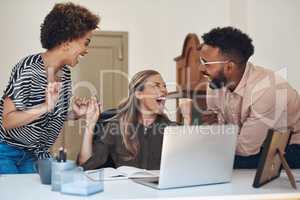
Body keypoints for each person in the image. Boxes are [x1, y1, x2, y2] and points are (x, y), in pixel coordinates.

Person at [0, 2, 100, 174]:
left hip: (36, 155)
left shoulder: (65, 74)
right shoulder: (29, 68)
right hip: (8, 152)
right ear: (67, 42)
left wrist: (75, 114)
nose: (86, 50)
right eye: (86, 42)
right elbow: (7, 121)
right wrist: (45, 106)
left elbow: (47, 115)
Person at [196, 26, 300, 168]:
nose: (201, 69)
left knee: (212, 162)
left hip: (291, 148)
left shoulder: (267, 90)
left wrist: (212, 139)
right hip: (253, 146)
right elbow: (216, 129)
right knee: (206, 159)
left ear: (229, 67)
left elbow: (245, 149)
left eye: (206, 63)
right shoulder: (216, 84)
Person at [78, 70, 182, 170]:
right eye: (157, 85)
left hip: (160, 188)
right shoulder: (116, 126)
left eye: (164, 86)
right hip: (127, 187)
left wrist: (187, 118)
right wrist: (90, 125)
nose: (164, 90)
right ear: (139, 94)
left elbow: (186, 163)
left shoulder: (171, 129)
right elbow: (86, 164)